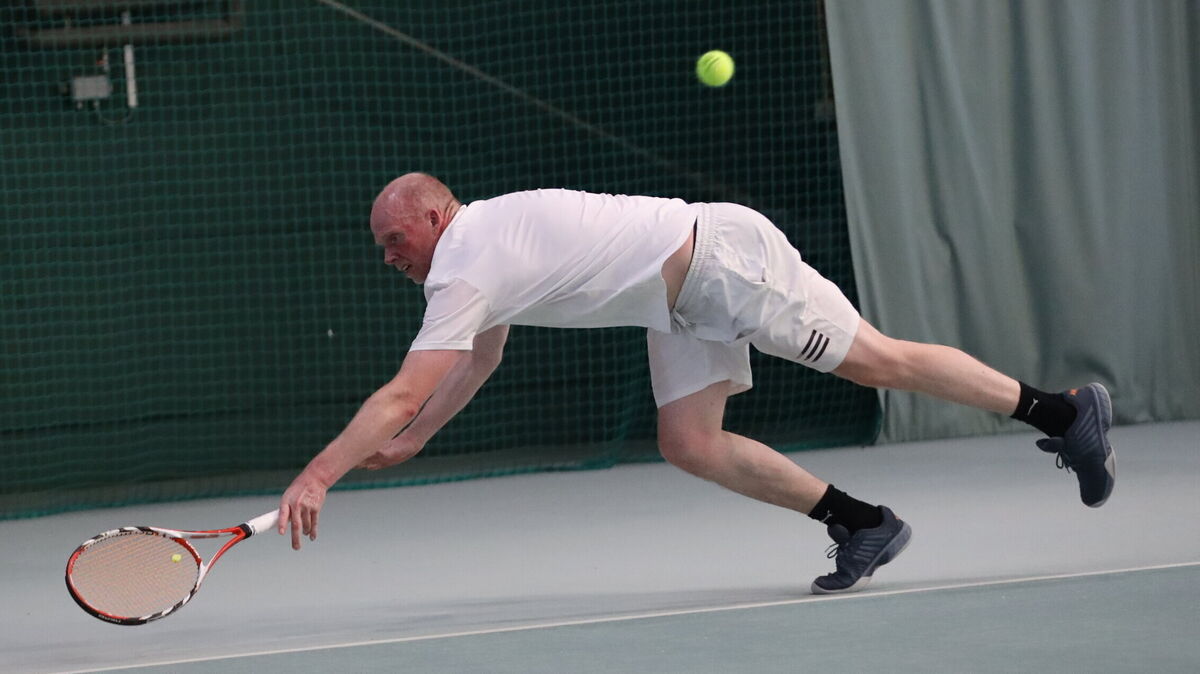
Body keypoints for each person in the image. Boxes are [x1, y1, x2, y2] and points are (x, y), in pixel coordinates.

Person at [279, 172, 1116, 594]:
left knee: (877, 360)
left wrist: (320, 474)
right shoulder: (476, 257)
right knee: (687, 443)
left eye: (396, 238)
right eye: (382, 247)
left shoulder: (465, 259)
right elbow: (479, 357)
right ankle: (864, 524)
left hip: (723, 263)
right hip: (676, 301)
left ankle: (1064, 409)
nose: (390, 255)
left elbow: (400, 387)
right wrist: (422, 434)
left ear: (434, 216)